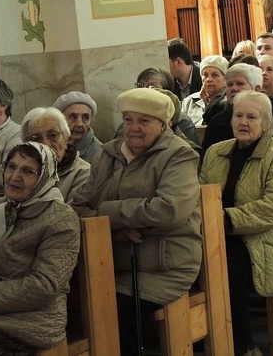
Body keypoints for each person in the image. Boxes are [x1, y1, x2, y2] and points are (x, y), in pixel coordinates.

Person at [70, 88, 203, 355]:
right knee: (67, 299)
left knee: (113, 307)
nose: (134, 129)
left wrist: (107, 212)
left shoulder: (179, 154)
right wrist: (113, 230)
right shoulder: (108, 154)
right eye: (129, 120)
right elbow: (77, 207)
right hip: (110, 259)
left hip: (164, 265)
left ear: (163, 125)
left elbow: (169, 209)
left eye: (144, 121)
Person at [201, 91, 273, 356]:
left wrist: (228, 219)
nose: (243, 122)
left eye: (251, 117)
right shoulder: (215, 152)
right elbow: (199, 194)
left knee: (227, 268)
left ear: (266, 124)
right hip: (216, 233)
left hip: (263, 238)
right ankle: (204, 336)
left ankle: (242, 345)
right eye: (238, 115)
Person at [0, 142, 80, 353]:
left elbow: (43, 287)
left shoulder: (60, 218)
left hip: (28, 322)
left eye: (27, 171)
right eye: (11, 166)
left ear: (44, 178)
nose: (14, 176)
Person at [202, 64, 273, 152]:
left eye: (240, 84)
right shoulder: (217, 122)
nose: (233, 89)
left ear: (257, 89)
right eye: (229, 84)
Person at [21, 107, 90, 201]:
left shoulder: (83, 173)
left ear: (66, 139)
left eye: (53, 135)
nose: (45, 144)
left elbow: (73, 213)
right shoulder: (20, 171)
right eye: (36, 138)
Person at [54, 90, 103, 164]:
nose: (80, 124)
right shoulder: (50, 143)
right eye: (73, 117)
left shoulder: (101, 155)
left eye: (85, 117)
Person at [182, 55, 229, 125]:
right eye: (205, 75)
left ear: (225, 78)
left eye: (215, 75)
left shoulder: (229, 102)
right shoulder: (189, 102)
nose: (209, 79)